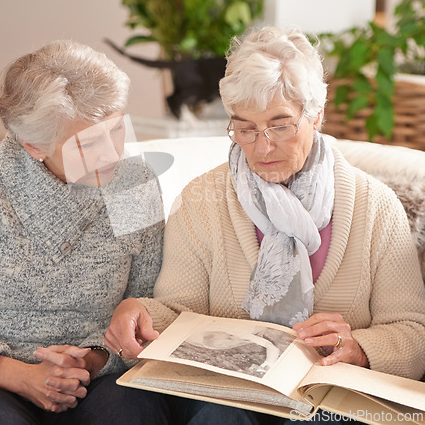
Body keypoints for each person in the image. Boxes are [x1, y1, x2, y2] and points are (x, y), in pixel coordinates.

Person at [105, 26, 425, 424]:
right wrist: (140, 313)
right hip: (228, 400)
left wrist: (359, 347)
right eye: (245, 128)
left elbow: (413, 333)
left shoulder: (376, 207)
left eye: (281, 125)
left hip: (326, 401)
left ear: (317, 115)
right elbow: (177, 310)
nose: (262, 147)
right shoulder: (200, 201)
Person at [0, 40, 170, 424]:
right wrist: (14, 372)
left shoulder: (134, 182)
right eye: (89, 143)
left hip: (97, 375)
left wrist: (93, 359)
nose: (112, 153)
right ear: (34, 146)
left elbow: (145, 305)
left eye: (116, 130)